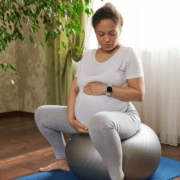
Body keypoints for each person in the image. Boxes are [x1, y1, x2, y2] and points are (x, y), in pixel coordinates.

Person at [34, 2, 145, 180]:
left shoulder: (128, 54)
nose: (107, 39)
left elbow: (139, 94)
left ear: (120, 29)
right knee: (42, 114)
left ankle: (117, 177)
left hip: (120, 118)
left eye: (112, 33)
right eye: (101, 34)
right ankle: (63, 161)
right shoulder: (87, 56)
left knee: (99, 120)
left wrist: (106, 89)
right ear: (95, 32)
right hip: (83, 121)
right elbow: (74, 89)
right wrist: (71, 119)